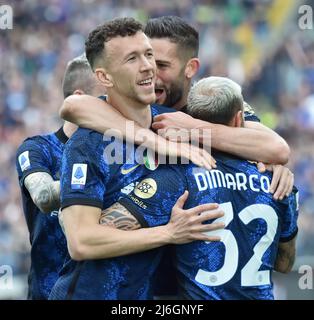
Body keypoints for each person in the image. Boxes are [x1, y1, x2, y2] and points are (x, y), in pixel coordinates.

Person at [49, 17, 224, 300]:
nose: (147, 66)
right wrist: (169, 233)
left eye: (149, 54)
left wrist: (275, 166)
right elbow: (81, 242)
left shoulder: (175, 126)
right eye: (132, 58)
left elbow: (266, 145)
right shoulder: (87, 145)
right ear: (105, 77)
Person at [101, 76, 299, 300]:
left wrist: (167, 233)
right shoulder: (279, 181)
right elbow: (284, 263)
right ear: (239, 119)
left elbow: (102, 231)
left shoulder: (177, 177)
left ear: (187, 119)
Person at [59, 15, 293, 200]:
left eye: (160, 64)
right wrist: (156, 142)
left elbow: (275, 148)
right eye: (142, 57)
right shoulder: (127, 103)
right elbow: (73, 106)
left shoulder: (209, 103)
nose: (150, 70)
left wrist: (192, 127)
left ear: (190, 68)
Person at [15, 54, 106, 299]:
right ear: (79, 98)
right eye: (105, 98)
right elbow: (43, 196)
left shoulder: (116, 150)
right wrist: (92, 184)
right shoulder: (39, 148)